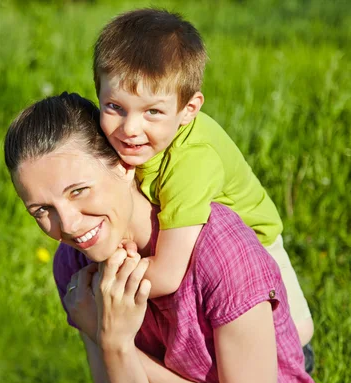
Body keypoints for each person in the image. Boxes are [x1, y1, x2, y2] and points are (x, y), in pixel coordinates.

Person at [4, 92, 323, 383]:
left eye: (79, 191)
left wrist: (113, 342)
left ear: (122, 165)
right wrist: (114, 347)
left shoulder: (222, 253)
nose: (70, 225)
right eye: (42, 210)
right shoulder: (74, 268)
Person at [93, 8, 315, 346]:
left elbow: (167, 275)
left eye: (153, 111)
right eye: (115, 107)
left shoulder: (191, 163)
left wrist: (104, 280)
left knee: (284, 341)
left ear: (188, 110)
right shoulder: (130, 139)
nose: (130, 129)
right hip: (199, 251)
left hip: (256, 253)